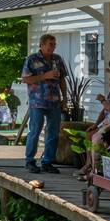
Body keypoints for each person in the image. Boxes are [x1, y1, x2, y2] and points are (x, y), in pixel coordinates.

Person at [21, 33, 68, 174]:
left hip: (54, 101)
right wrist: (44, 76)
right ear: (41, 45)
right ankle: (30, 161)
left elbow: (62, 80)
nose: (52, 47)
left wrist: (64, 97)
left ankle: (47, 162)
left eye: (54, 45)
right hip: (38, 102)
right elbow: (25, 80)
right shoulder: (32, 59)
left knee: (53, 132)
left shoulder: (57, 59)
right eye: (50, 44)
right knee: (35, 131)